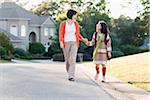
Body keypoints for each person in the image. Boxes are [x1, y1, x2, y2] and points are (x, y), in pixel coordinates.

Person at [59, 9, 88, 81]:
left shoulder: (76, 24)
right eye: (75, 15)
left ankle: (71, 75)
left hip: (74, 43)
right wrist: (61, 42)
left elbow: (77, 34)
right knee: (67, 60)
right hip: (66, 43)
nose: (76, 17)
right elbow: (61, 34)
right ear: (71, 15)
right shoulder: (63, 24)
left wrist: (83, 39)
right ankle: (69, 72)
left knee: (72, 59)